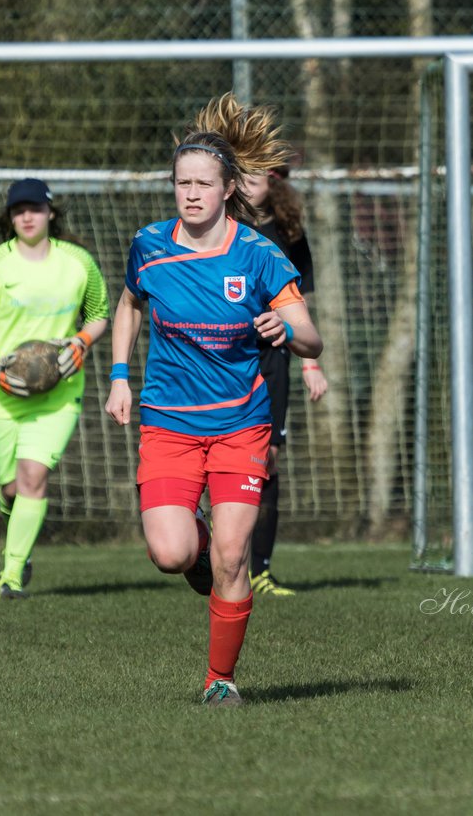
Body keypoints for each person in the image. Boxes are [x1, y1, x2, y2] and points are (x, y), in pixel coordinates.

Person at [104, 94, 324, 706]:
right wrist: (120, 374)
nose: (191, 193)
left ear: (229, 187)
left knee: (234, 559)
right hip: (170, 424)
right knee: (173, 553)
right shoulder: (150, 244)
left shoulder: (258, 254)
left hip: (242, 426)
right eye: (182, 183)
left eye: (204, 183)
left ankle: (220, 680)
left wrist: (290, 331)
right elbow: (128, 304)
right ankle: (192, 549)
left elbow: (312, 333)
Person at [0, 177, 109, 600]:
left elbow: (99, 315)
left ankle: (11, 575)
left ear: (50, 213)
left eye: (35, 208)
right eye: (19, 210)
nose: (27, 216)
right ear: (9, 216)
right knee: (12, 489)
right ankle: (16, 524)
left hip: (59, 396)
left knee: (33, 478)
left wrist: (82, 342)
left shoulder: (78, 262)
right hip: (3, 396)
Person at [241, 166, 329, 596]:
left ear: (275, 182)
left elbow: (303, 301)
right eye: (241, 173)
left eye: (258, 174)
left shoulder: (288, 233)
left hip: (274, 357)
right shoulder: (221, 229)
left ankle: (261, 569)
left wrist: (310, 364)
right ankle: (220, 555)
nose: (247, 181)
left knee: (268, 458)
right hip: (228, 354)